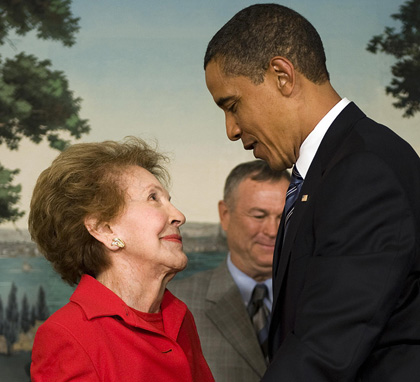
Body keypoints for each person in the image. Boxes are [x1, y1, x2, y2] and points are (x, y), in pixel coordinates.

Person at [204, 4, 420, 382]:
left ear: (282, 75)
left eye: (232, 105)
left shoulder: (362, 171)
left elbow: (325, 348)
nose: (231, 130)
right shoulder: (329, 171)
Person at [28, 137, 214, 382]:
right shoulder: (67, 336)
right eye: (153, 198)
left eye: (169, 200)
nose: (179, 216)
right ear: (104, 229)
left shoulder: (178, 317)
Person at [170, 160, 290, 382]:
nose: (273, 231)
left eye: (283, 217)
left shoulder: (320, 300)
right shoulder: (175, 302)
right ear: (225, 214)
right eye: (259, 216)